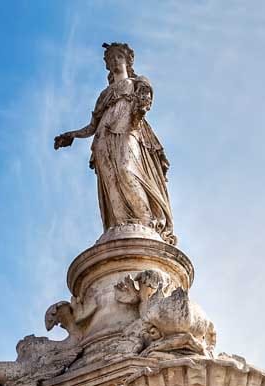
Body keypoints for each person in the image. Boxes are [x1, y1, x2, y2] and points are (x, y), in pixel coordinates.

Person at [54, 42, 176, 243]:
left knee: (126, 170)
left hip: (127, 132)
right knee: (111, 179)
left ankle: (145, 222)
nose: (114, 62)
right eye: (110, 60)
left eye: (117, 57)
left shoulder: (137, 82)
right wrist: (72, 135)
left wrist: (140, 108)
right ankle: (120, 224)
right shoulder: (104, 95)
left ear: (127, 60)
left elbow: (145, 102)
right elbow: (92, 125)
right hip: (103, 139)